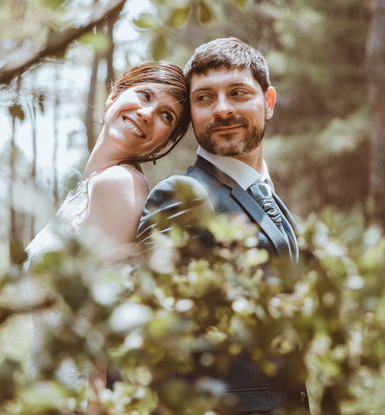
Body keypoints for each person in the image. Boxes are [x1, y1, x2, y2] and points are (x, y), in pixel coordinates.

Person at [137, 38, 309, 414]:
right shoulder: (183, 195)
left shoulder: (267, 194)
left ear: (268, 102)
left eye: (238, 93)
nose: (222, 109)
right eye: (204, 98)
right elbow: (155, 333)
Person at [24, 61, 190, 397]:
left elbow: (102, 329)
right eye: (144, 95)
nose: (147, 113)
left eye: (165, 116)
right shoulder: (92, 186)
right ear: (114, 94)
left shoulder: (118, 185)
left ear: (161, 145)